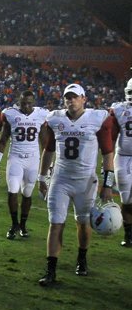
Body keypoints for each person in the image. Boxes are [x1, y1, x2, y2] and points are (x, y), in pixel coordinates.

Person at [37, 83, 114, 286]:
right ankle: (51, 271)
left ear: (83, 99)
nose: (71, 100)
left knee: (83, 222)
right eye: (67, 97)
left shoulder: (97, 119)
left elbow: (108, 153)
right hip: (60, 179)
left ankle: (82, 257)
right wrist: (41, 178)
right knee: (56, 222)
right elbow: (49, 150)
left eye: (75, 97)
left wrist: (108, 184)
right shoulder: (56, 118)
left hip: (86, 182)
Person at [0, 90, 49, 239]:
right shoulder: (11, 114)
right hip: (15, 158)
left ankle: (23, 225)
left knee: (27, 194)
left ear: (34, 103)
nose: (26, 106)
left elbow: (45, 144)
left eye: (29, 103)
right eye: (23, 103)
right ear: (19, 101)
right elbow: (3, 140)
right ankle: (14, 224)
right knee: (12, 190)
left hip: (33, 159)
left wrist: (47, 168)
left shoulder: (40, 115)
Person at [110, 77, 132, 247]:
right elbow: (111, 136)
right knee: (126, 199)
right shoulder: (118, 109)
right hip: (122, 157)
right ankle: (128, 234)